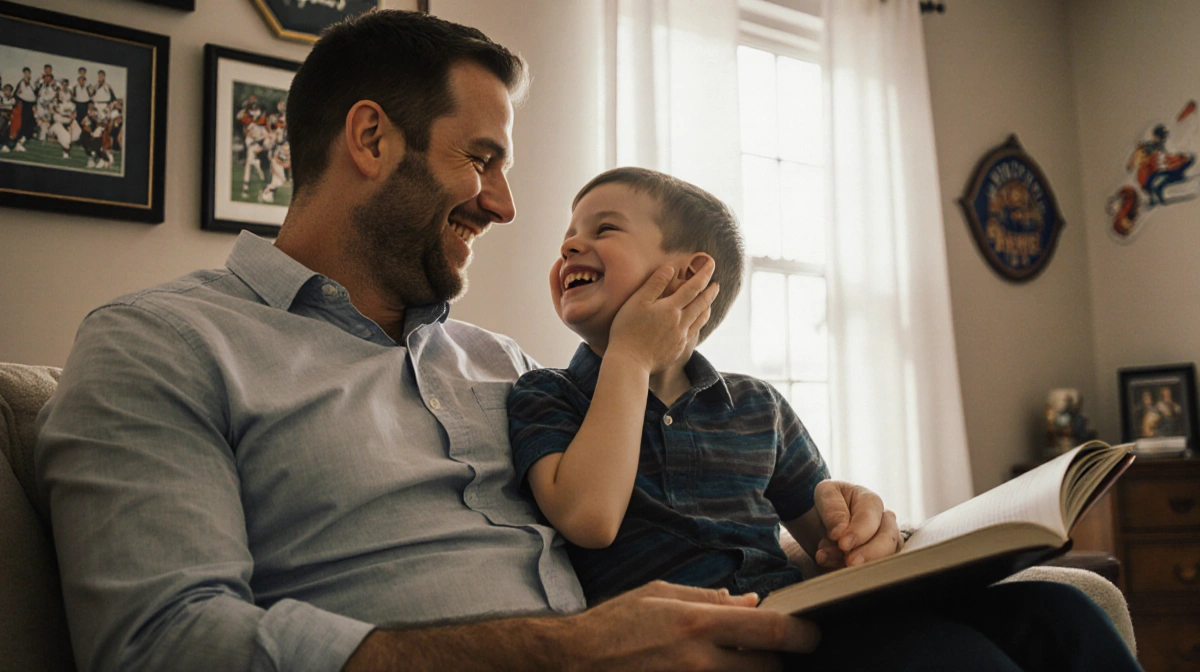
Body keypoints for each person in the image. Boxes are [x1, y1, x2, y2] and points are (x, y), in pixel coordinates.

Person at [36, 11, 826, 672]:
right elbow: (163, 645)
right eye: (481, 159)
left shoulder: (509, 366)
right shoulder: (161, 345)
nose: (506, 207)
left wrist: (825, 527)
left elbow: (670, 520)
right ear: (372, 140)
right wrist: (568, 653)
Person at [506, 167, 1144, 671]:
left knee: (1062, 611)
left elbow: (829, 546)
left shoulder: (757, 405)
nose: (569, 243)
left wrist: (857, 528)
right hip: (710, 645)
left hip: (802, 612)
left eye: (604, 228)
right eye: (570, 230)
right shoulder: (546, 394)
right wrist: (630, 357)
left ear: (689, 276)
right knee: (944, 660)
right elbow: (590, 518)